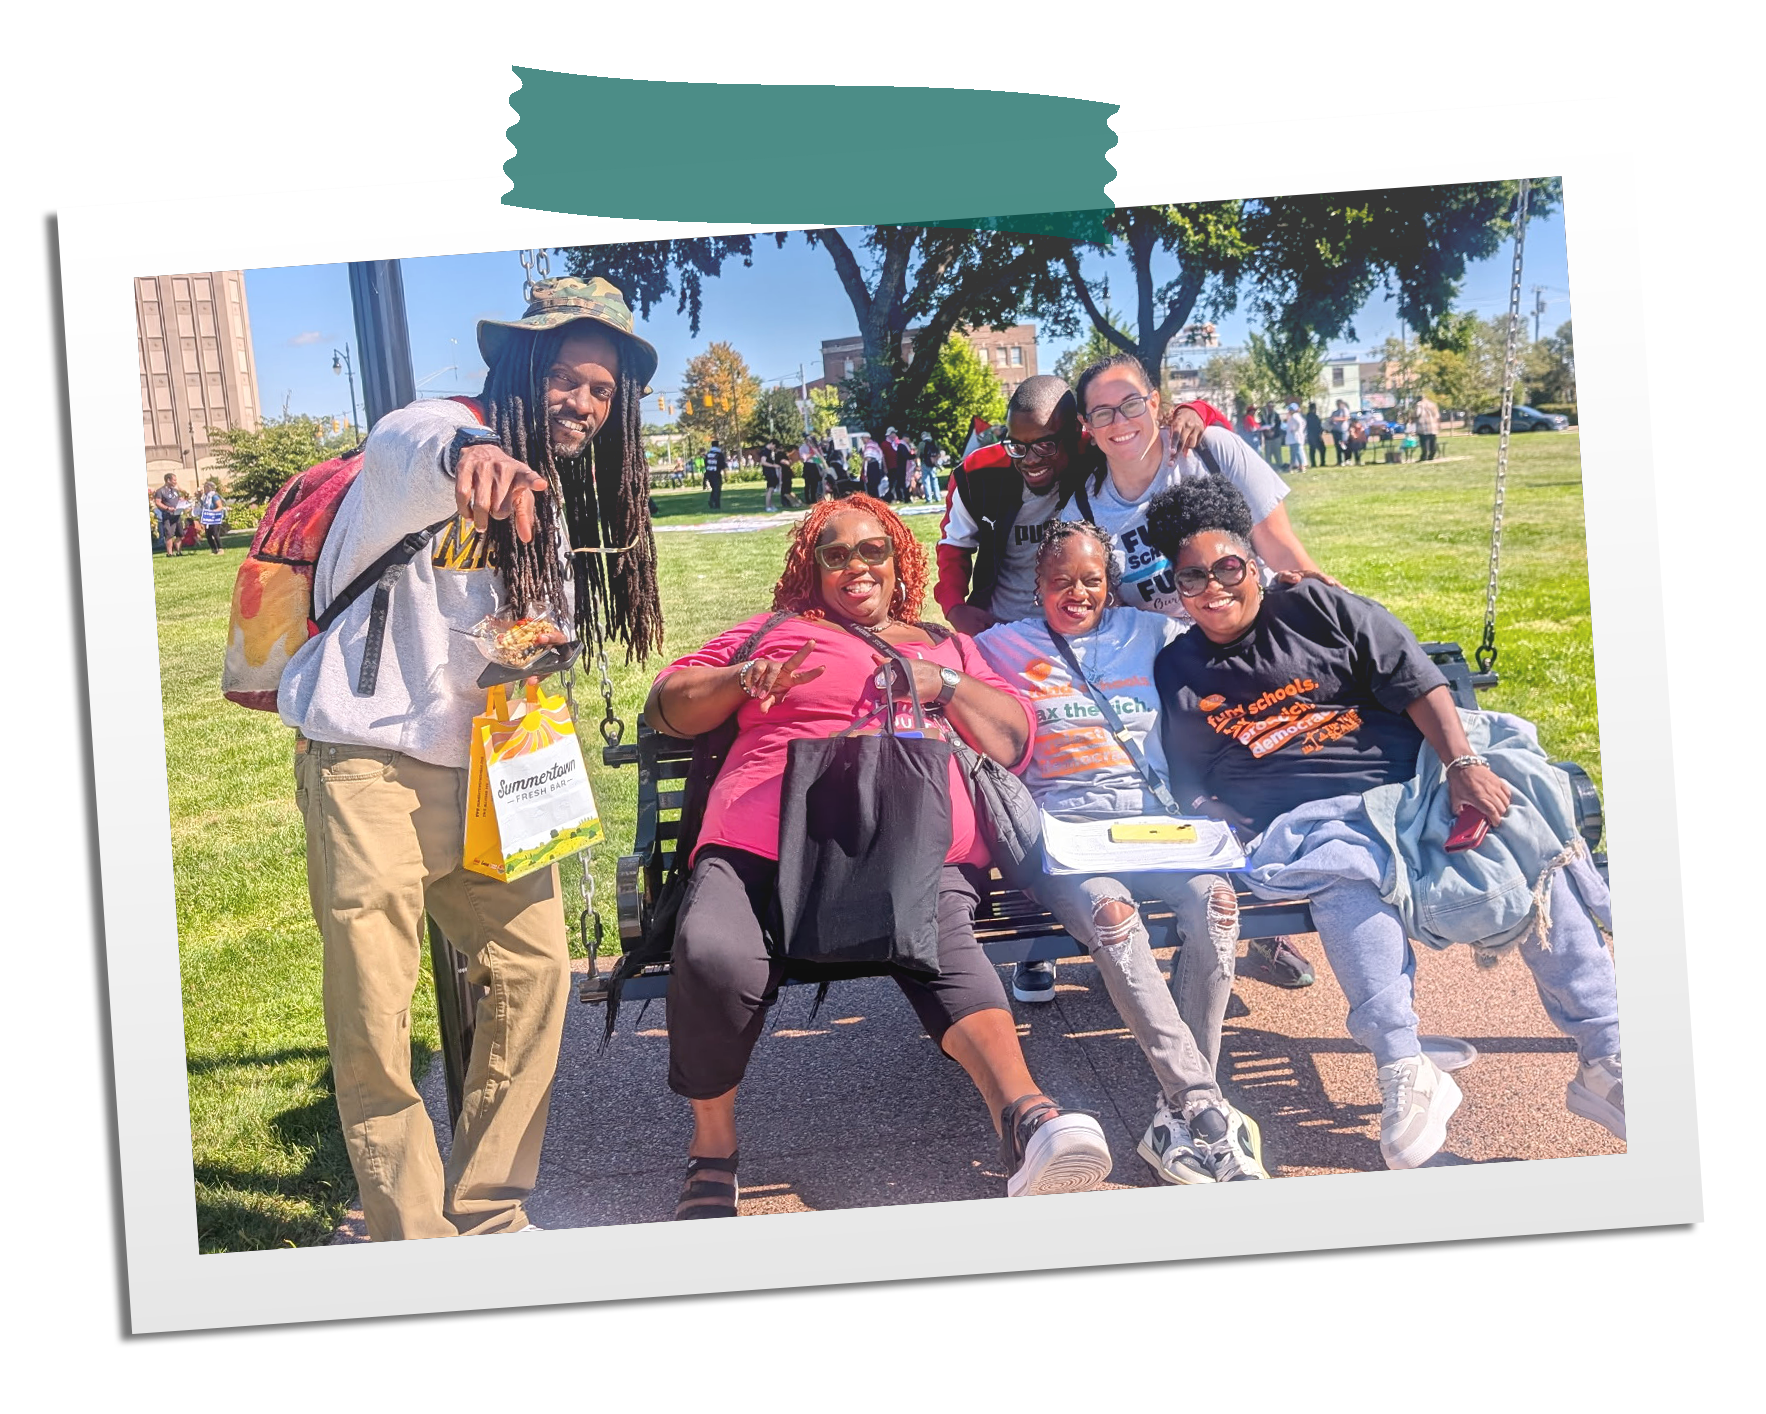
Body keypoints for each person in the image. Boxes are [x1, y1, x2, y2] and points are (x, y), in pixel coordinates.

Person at [277, 276, 662, 1239]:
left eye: (603, 390)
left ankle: (489, 1208)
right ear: (518, 367)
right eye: (568, 378)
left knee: (536, 973)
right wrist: (475, 449)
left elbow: (528, 627)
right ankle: (412, 1233)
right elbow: (405, 435)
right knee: (374, 1002)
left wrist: (544, 647)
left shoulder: (559, 496)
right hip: (370, 763)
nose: (583, 402)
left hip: (495, 773)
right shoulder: (438, 441)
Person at [643, 495, 1115, 1214]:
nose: (856, 567)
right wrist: (743, 679)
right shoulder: (773, 631)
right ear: (813, 566)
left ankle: (1028, 1121)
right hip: (762, 841)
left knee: (948, 947)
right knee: (713, 954)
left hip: (912, 842)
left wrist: (946, 686)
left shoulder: (942, 641)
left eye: (873, 552)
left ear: (900, 563)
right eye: (836, 554)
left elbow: (1015, 738)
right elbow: (666, 703)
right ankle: (713, 1149)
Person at [1146, 474, 1623, 1169]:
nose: (1214, 587)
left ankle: (1608, 1060)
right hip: (1308, 822)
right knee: (1342, 872)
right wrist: (1220, 821)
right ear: (1176, 587)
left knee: (1528, 846)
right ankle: (1404, 1069)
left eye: (1228, 567)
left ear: (1253, 561)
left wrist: (1462, 764)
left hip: (1414, 784)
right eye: (1194, 577)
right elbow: (1194, 776)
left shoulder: (1319, 607)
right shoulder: (1177, 665)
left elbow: (1417, 677)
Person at [975, 522, 1268, 1182]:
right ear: (1036, 585)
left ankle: (1178, 1112)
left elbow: (1239, 633)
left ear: (1110, 585)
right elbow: (930, 654)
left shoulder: (1151, 634)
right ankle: (1202, 1108)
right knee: (1111, 915)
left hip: (1157, 828)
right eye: (1060, 582)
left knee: (1218, 904)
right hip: (1067, 837)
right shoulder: (999, 647)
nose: (1076, 593)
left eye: (1091, 580)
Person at [1056, 353, 1334, 992]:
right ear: (1089, 429)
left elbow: (1283, 551)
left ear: (1155, 401)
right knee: (1182, 786)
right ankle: (1198, 920)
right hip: (1165, 667)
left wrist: (1337, 615)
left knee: (1261, 779)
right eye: (1102, 412)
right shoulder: (1086, 501)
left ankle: (1265, 925)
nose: (1120, 420)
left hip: (1248, 649)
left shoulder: (1209, 452)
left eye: (1131, 403)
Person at [151, 473, 185, 557]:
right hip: (168, 516)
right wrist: (167, 508)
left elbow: (178, 500)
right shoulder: (160, 491)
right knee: (169, 534)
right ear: (168, 480)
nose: (175, 482)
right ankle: (169, 553)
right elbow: (158, 503)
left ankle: (179, 552)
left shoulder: (175, 490)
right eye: (174, 480)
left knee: (180, 534)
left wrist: (182, 501)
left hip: (177, 515)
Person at [198, 478, 227, 554]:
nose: (204, 489)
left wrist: (212, 511)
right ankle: (214, 549)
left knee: (215, 533)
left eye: (205, 488)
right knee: (208, 534)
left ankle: (220, 548)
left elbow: (220, 506)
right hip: (208, 518)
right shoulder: (206, 497)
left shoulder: (214, 496)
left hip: (214, 517)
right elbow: (203, 506)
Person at [1415, 395, 1441, 462]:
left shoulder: (1419, 404)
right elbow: (1437, 415)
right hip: (1433, 425)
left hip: (1423, 426)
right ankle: (1432, 455)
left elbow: (1417, 413)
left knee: (1424, 442)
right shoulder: (1433, 404)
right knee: (1433, 441)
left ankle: (1424, 456)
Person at [704, 438, 727, 509]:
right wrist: (726, 476)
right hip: (716, 474)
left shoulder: (708, 455)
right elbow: (723, 466)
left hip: (709, 474)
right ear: (718, 446)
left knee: (714, 489)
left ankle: (714, 502)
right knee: (717, 489)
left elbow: (706, 465)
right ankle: (715, 503)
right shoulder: (719, 454)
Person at [761, 439, 784, 512]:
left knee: (771, 489)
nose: (774, 448)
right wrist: (773, 465)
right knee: (770, 489)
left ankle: (770, 505)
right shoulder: (765, 451)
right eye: (774, 446)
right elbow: (763, 462)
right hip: (769, 472)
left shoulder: (769, 451)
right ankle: (768, 506)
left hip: (771, 472)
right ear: (772, 443)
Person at [1283, 402, 1306, 473]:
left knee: (1297, 453)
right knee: (1294, 453)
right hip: (1294, 438)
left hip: (1295, 438)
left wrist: (1296, 430)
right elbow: (1303, 423)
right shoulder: (1297, 416)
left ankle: (1301, 467)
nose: (1289, 411)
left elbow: (1299, 423)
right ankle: (1293, 467)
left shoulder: (1295, 416)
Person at [1305, 402, 1327, 468]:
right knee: (1322, 449)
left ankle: (1313, 463)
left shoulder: (1307, 416)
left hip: (1310, 435)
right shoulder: (1315, 417)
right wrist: (1321, 433)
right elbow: (1317, 426)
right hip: (1316, 435)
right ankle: (1322, 462)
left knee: (1312, 450)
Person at [1328, 399, 1350, 465]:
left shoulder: (1344, 410)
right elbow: (1331, 419)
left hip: (1343, 430)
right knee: (1337, 446)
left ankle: (1347, 459)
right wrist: (1331, 421)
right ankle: (1339, 461)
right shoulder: (1335, 412)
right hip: (1336, 431)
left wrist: (1337, 419)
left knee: (1343, 445)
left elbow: (1346, 418)